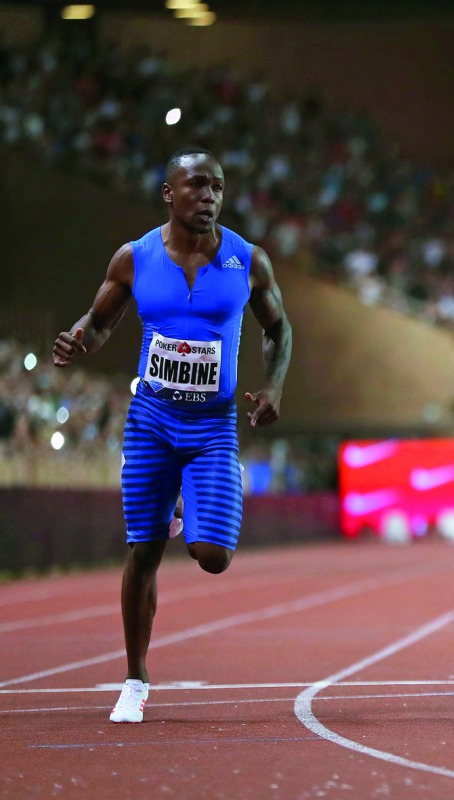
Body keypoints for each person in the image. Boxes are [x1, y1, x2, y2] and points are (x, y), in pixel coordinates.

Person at [52, 147, 292, 721]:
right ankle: (135, 679)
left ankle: (189, 499)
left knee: (212, 556)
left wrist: (276, 385)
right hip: (152, 423)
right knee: (144, 551)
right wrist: (78, 338)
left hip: (212, 427)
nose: (209, 197)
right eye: (197, 186)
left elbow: (279, 330)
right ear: (169, 193)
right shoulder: (134, 259)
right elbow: (100, 321)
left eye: (217, 188)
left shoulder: (247, 261)